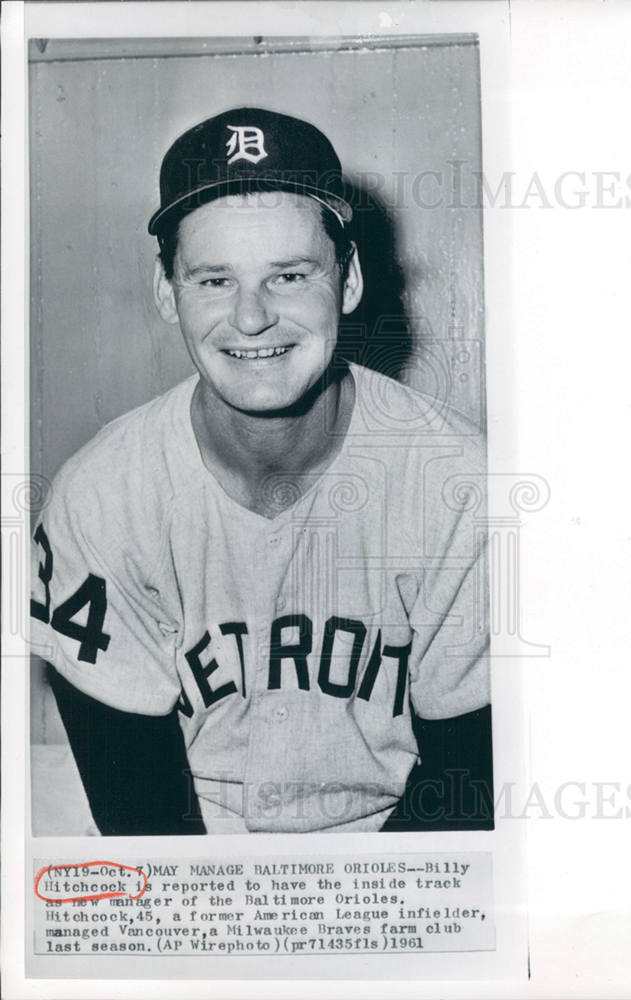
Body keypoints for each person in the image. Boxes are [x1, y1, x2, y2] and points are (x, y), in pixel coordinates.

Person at [30, 107, 492, 835]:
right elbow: (142, 815)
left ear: (347, 281)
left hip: (401, 858)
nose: (250, 318)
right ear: (165, 292)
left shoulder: (463, 486)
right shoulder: (100, 498)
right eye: (214, 279)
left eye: (289, 276)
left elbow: (468, 789)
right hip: (192, 851)